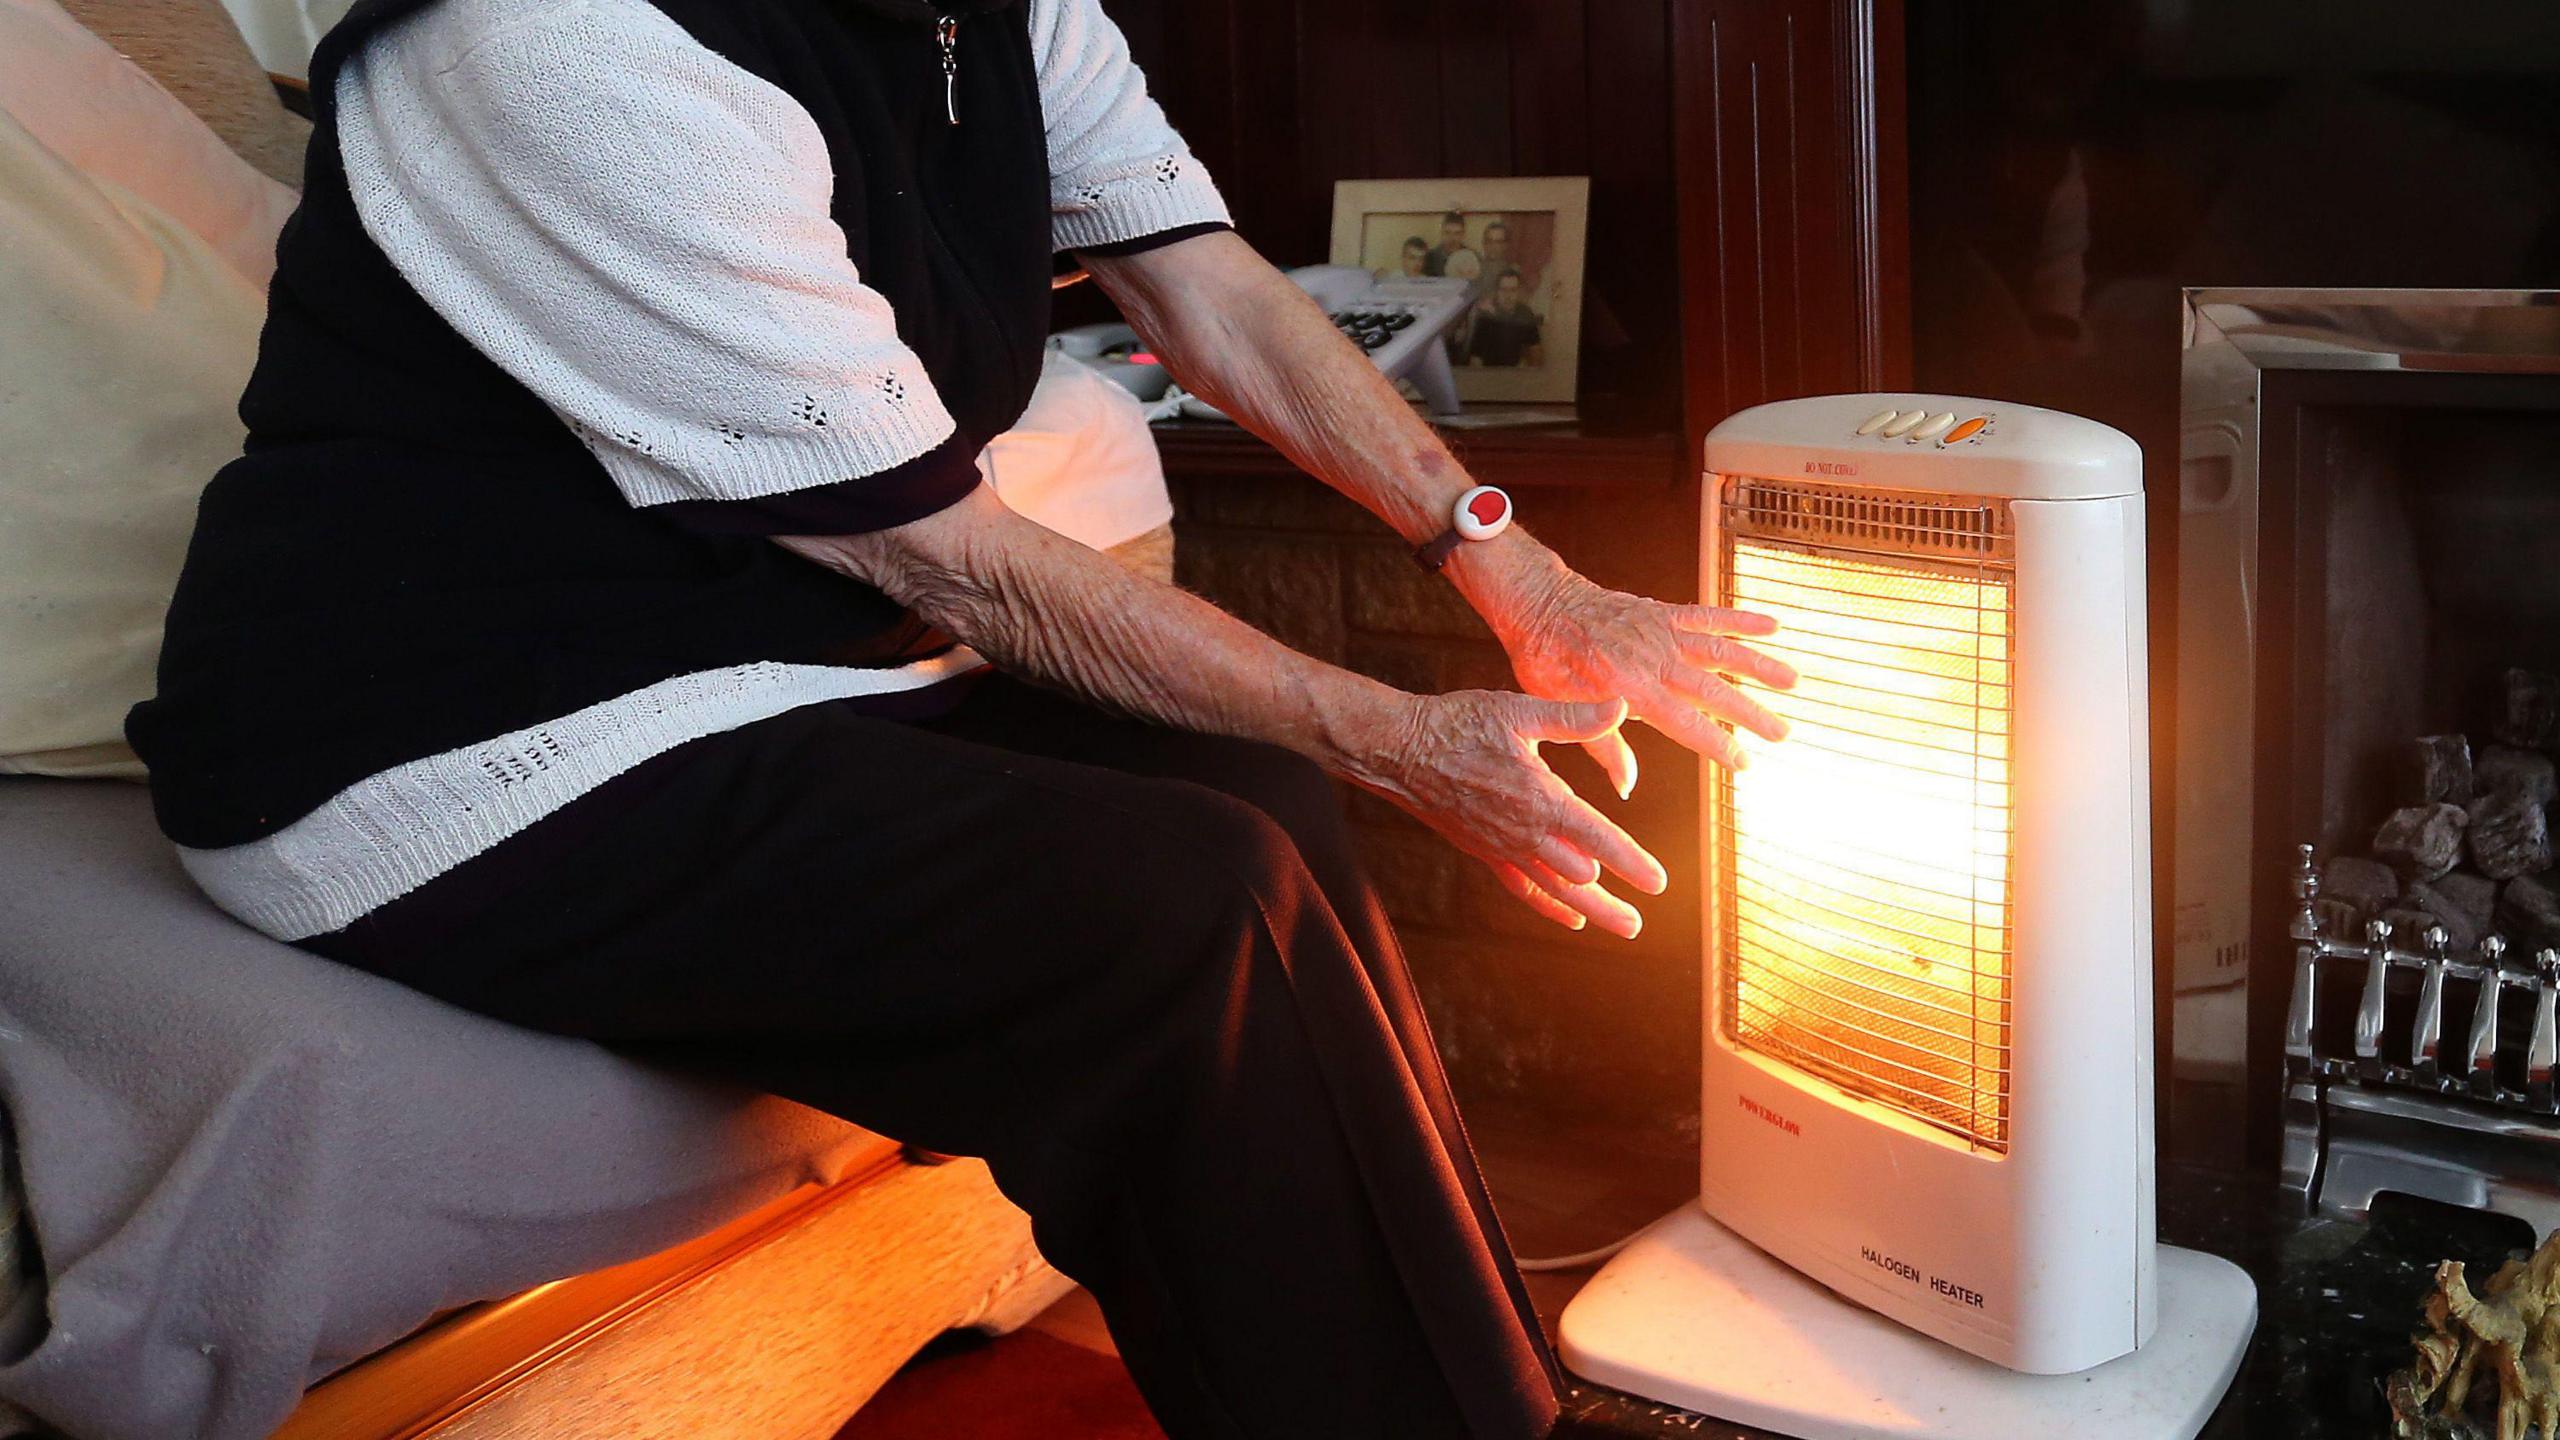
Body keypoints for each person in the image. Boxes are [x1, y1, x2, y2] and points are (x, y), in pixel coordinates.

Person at [127, 1, 1793, 1436]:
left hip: (763, 650)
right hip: (434, 741)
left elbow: (1202, 285)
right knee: (1175, 908)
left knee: (1261, 798)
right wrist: (1405, 733)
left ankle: (1477, 1398)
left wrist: (1529, 581)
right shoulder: (562, 44)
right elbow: (953, 557)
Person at [1467, 267, 1547, 368]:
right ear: (1497, 291)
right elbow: (1475, 360)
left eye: (1513, 290)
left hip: (1516, 374)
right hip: (1489, 375)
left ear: (1518, 292)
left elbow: (1536, 351)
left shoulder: (1525, 313)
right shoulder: (1485, 317)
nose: (1508, 295)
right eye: (1503, 290)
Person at [1422, 209, 1474, 277]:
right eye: (1447, 233)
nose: (1452, 238)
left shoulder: (1471, 258)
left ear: (1463, 235)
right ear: (1441, 233)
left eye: (1457, 233)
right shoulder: (1430, 259)